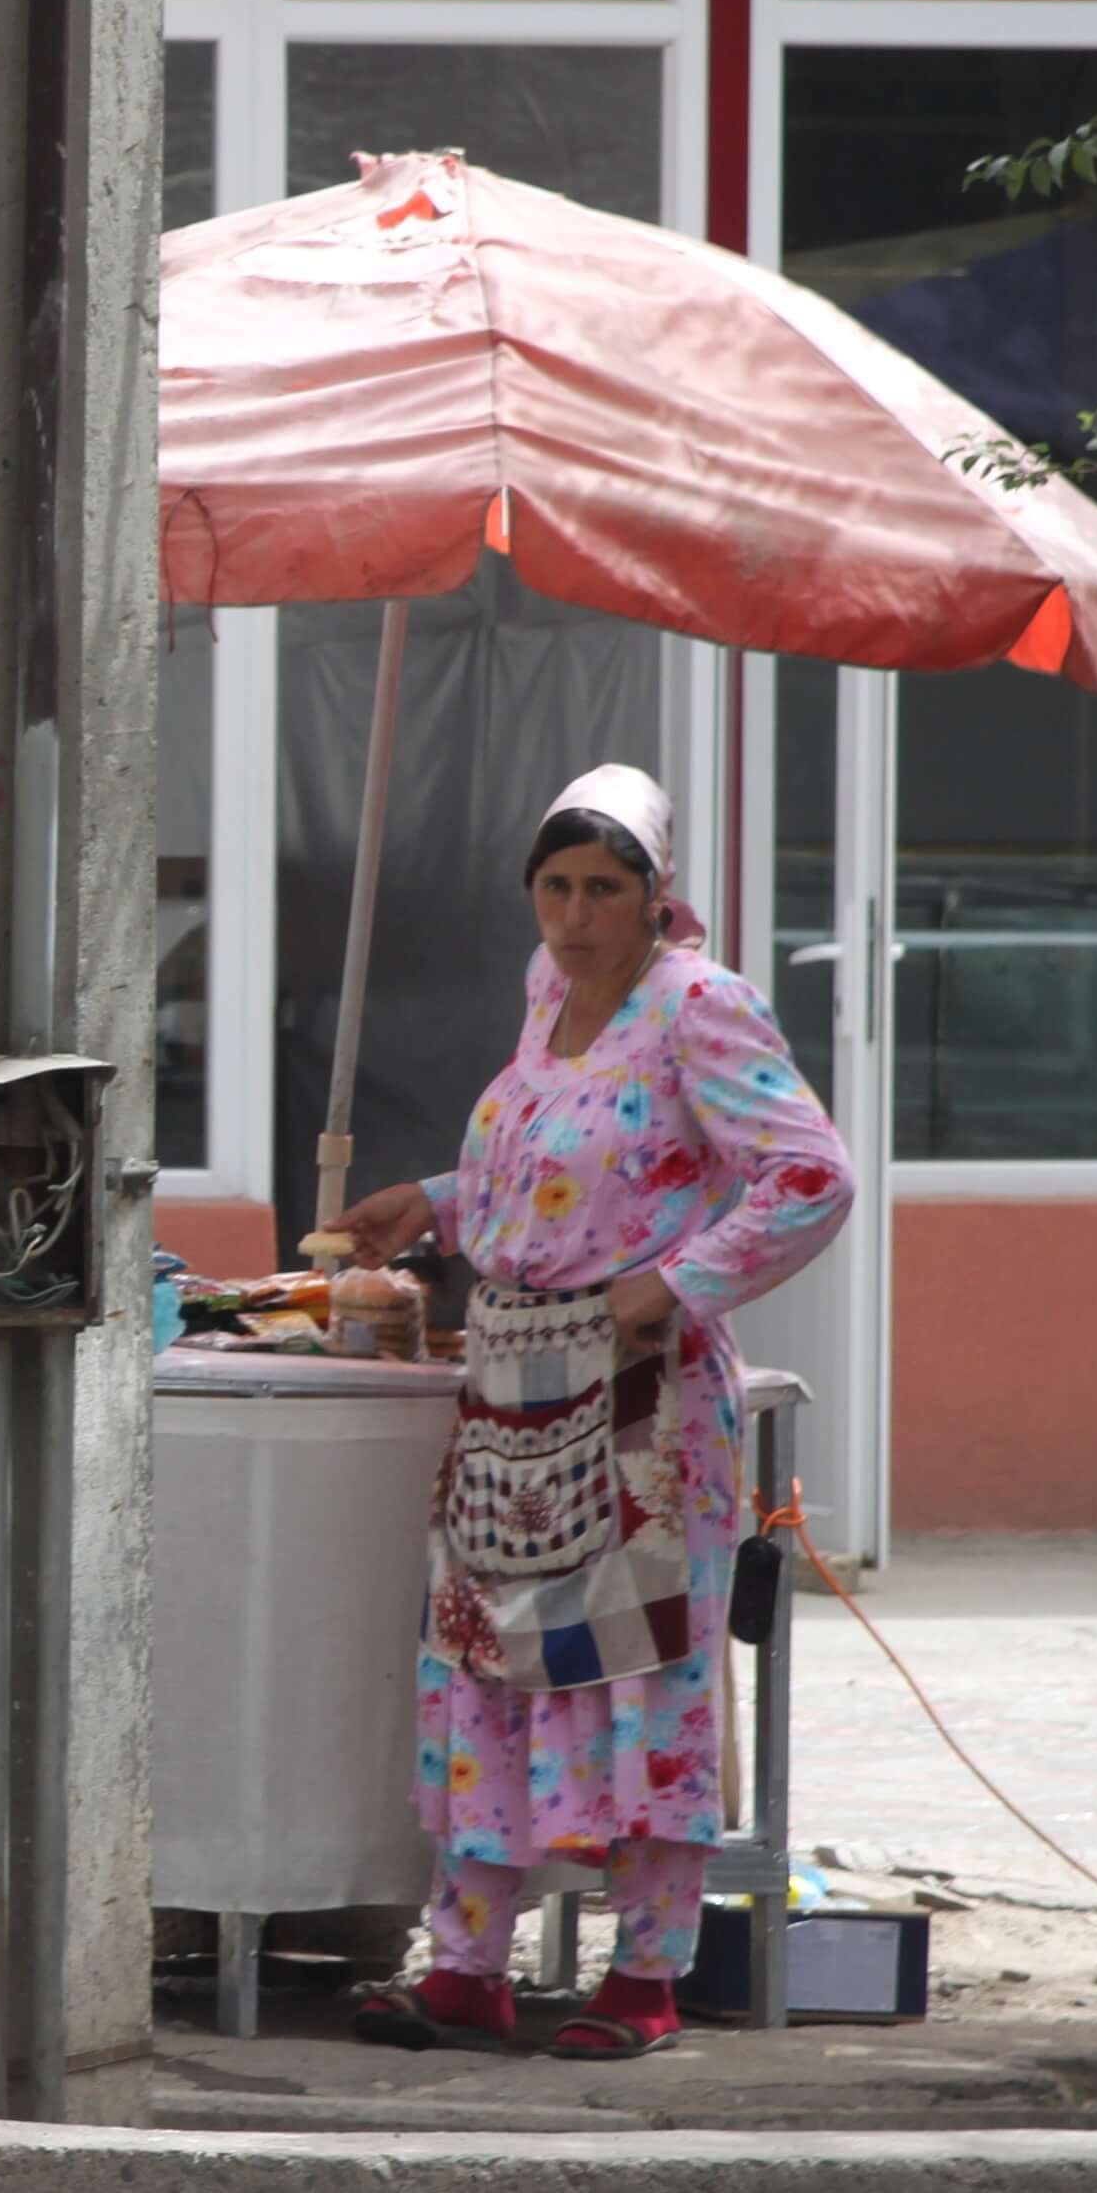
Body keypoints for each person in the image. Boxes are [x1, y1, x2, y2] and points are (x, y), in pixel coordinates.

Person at [328, 767, 852, 2060]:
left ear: (652, 894)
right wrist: (439, 1202)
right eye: (553, 886)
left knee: (636, 1669)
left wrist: (670, 1284)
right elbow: (568, 1161)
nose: (571, 915)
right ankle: (466, 1963)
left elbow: (807, 1172)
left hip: (639, 1401)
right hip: (506, 1388)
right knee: (483, 1664)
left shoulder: (698, 1006)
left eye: (600, 889)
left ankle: (643, 1971)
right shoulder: (544, 998)